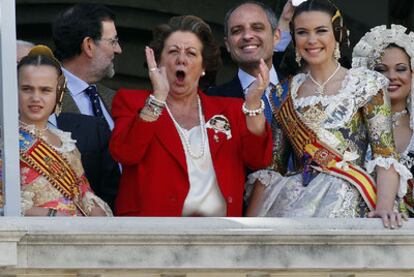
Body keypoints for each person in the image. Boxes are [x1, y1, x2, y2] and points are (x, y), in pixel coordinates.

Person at [245, 0, 411, 228]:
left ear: (337, 34)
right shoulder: (283, 92)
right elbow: (274, 167)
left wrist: (383, 207)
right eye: (303, 32)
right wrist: (247, 225)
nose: (312, 40)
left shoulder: (366, 84)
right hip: (293, 204)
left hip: (350, 201)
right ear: (294, 38)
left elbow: (385, 155)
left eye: (321, 31)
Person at [110, 15, 273, 216]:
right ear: (158, 61)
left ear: (204, 67)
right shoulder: (131, 101)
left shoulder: (232, 109)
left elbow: (259, 160)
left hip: (220, 235)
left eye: (191, 53)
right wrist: (158, 98)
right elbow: (126, 153)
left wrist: (254, 104)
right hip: (154, 233)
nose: (182, 59)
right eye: (173, 51)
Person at [16, 41, 120, 211]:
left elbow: (84, 194)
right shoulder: (6, 141)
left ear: (58, 93)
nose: (36, 97)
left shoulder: (65, 141)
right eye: (27, 89)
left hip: (74, 233)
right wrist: (51, 217)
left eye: (45, 90)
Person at [207, 1, 294, 174]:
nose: (247, 36)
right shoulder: (211, 100)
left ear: (277, 36)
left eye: (257, 27)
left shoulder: (302, 89)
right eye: (237, 31)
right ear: (228, 44)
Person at [353, 24, 414, 216]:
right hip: (364, 224)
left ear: (412, 74)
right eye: (381, 70)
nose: (391, 77)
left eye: (401, 69)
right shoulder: (353, 125)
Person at [52, 3, 122, 130]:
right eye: (113, 41)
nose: (118, 50)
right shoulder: (45, 97)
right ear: (88, 45)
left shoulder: (115, 99)